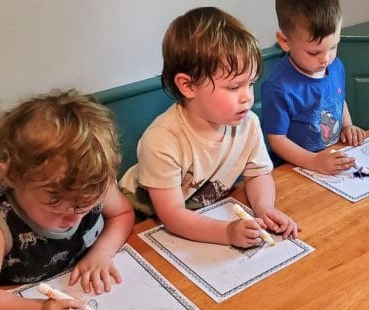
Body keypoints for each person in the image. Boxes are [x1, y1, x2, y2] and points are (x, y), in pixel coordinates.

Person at [119, 7, 299, 247]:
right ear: (188, 86)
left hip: (203, 213)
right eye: (234, 87)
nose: (247, 97)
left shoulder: (248, 123)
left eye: (251, 83)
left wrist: (265, 207)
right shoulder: (161, 140)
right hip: (145, 222)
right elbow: (172, 215)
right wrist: (227, 234)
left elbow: (258, 173)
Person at [0, 90, 135, 310]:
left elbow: (122, 214)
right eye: (56, 209)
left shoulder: (93, 183)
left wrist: (102, 252)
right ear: (11, 176)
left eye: (87, 207)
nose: (74, 219)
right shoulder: (1, 223)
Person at [261, 0, 366, 175]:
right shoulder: (278, 87)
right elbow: (276, 140)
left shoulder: (336, 66)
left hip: (332, 158)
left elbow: (338, 99)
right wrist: (314, 161)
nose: (326, 59)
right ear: (285, 41)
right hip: (296, 168)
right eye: (314, 52)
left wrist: (348, 126)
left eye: (333, 47)